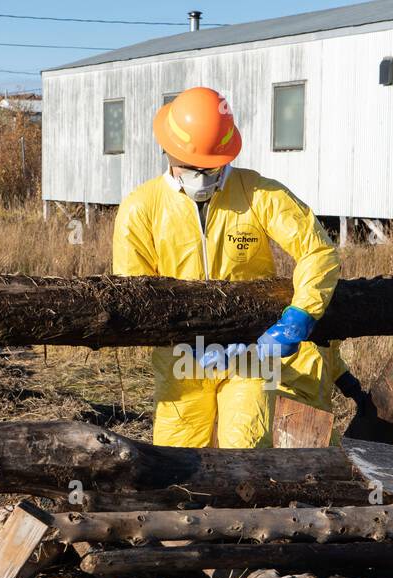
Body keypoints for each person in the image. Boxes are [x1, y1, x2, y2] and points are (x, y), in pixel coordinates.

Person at [112, 86, 340, 448]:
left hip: (250, 355)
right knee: (176, 460)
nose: (202, 175)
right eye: (194, 165)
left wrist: (298, 317)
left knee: (245, 452)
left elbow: (318, 249)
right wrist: (180, 338)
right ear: (168, 149)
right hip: (180, 360)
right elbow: (133, 294)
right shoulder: (142, 207)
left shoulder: (257, 193)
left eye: (211, 166)